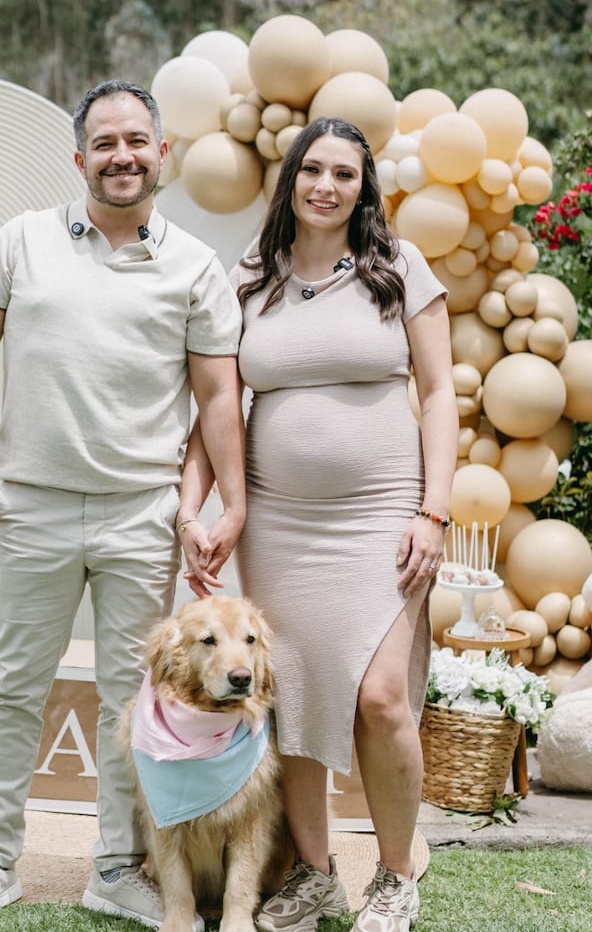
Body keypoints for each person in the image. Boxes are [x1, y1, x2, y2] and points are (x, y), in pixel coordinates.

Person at [0, 79, 246, 929]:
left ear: (162, 154)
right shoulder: (22, 241)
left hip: (139, 512)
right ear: (79, 159)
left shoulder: (195, 265)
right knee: (13, 686)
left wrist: (228, 504)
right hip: (29, 505)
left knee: (131, 700)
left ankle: (115, 865)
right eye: (105, 143)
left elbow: (219, 400)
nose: (122, 156)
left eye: (137, 141)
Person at [179, 116, 458, 932]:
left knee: (380, 696)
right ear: (291, 179)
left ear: (364, 186)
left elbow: (440, 393)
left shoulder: (397, 267)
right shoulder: (250, 275)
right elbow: (217, 404)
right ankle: (316, 873)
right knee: (287, 695)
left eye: (345, 172)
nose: (327, 185)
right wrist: (194, 505)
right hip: (277, 519)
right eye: (313, 170)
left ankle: (397, 877)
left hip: (382, 516)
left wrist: (433, 509)